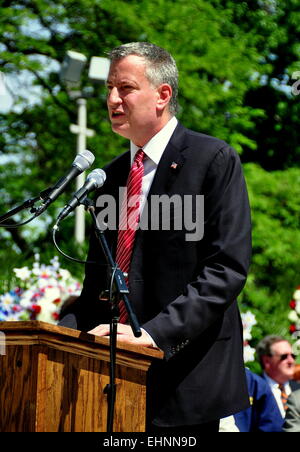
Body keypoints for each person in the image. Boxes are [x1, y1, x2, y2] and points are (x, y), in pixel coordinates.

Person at [59, 42, 252, 432]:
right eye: (109, 87)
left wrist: (152, 334)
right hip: (112, 388)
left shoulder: (212, 161)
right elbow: (99, 284)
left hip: (186, 382)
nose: (112, 98)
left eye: (125, 88)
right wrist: (56, 337)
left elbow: (226, 270)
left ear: (163, 95)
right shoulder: (109, 179)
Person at [256, 335, 300, 419]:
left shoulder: (298, 389)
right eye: (284, 357)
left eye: (293, 356)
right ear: (267, 361)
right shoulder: (254, 391)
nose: (291, 361)